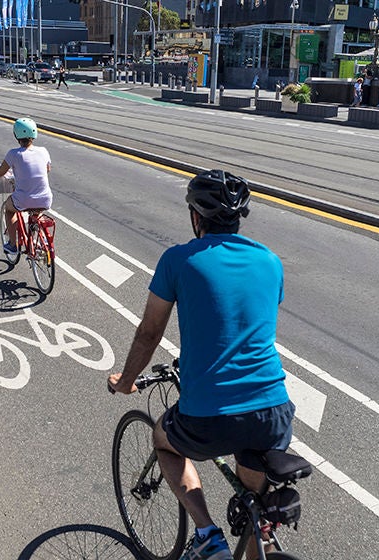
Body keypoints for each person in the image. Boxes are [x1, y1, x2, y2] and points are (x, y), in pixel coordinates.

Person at [108, 169, 294, 560]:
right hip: (273, 410)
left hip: (211, 414)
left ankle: (207, 534)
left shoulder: (178, 259)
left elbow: (149, 333)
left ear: (196, 217)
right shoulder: (270, 261)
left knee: (165, 441)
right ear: (239, 218)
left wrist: (127, 380)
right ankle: (255, 538)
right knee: (252, 514)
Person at [0, 118, 53, 256]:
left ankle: (13, 244)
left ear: (16, 135)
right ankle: (39, 241)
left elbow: (1, 172)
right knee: (36, 212)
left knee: (9, 210)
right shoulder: (43, 151)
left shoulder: (14, 154)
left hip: (23, 199)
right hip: (46, 199)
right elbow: (47, 169)